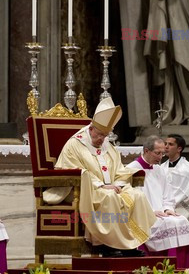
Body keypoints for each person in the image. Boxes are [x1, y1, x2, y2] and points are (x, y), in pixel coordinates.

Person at [43, 97, 156, 257]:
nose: (102, 139)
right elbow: (73, 170)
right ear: (91, 129)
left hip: (108, 188)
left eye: (106, 135)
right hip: (83, 190)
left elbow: (118, 169)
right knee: (109, 197)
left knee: (137, 195)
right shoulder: (75, 145)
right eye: (100, 135)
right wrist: (101, 185)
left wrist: (119, 184)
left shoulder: (107, 145)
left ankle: (130, 244)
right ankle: (107, 245)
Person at [128, 135, 189, 269]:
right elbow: (129, 198)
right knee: (169, 223)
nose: (160, 157)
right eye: (157, 153)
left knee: (182, 221)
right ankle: (166, 267)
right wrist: (151, 212)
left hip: (161, 213)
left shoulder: (159, 170)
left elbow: (168, 194)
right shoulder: (131, 169)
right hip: (143, 216)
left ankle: (183, 268)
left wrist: (168, 209)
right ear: (146, 151)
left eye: (162, 153)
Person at [161, 134, 189, 260]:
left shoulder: (188, 169)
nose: (166, 147)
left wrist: (170, 205)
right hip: (164, 211)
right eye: (165, 144)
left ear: (179, 149)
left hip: (182, 210)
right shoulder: (160, 168)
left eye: (170, 144)